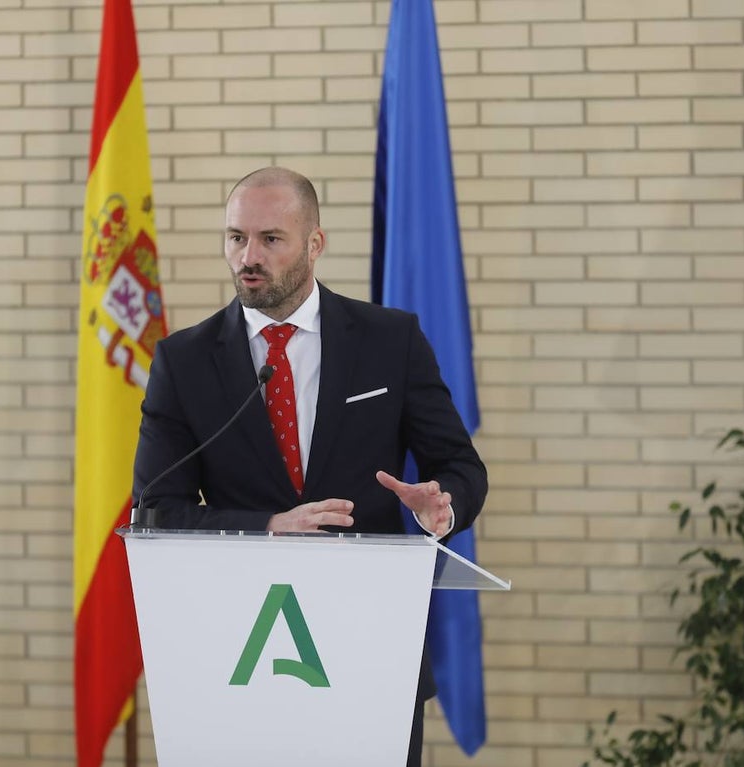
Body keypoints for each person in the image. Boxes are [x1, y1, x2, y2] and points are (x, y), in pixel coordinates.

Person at [131, 166, 487, 766]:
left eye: (271, 239)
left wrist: (442, 507)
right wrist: (268, 527)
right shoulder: (183, 361)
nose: (248, 257)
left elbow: (460, 466)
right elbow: (155, 511)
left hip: (371, 651)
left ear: (315, 243)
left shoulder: (390, 340)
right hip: (236, 660)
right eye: (236, 237)